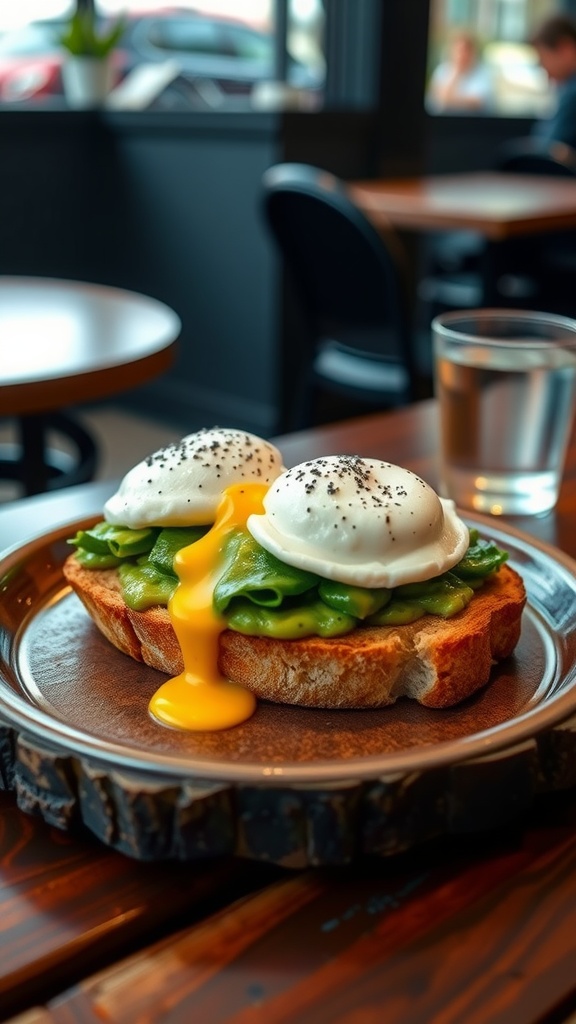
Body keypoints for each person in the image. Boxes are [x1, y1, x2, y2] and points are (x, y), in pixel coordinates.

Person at [529, 13, 576, 149]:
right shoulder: (566, 88)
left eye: (544, 59)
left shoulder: (572, 94)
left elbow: (547, 146)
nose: (546, 72)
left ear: (565, 48)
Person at [427, 31, 494, 113]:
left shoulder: (483, 73)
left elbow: (477, 103)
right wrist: (456, 73)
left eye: (465, 51)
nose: (461, 55)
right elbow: (438, 100)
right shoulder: (442, 70)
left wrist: (449, 99)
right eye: (458, 50)